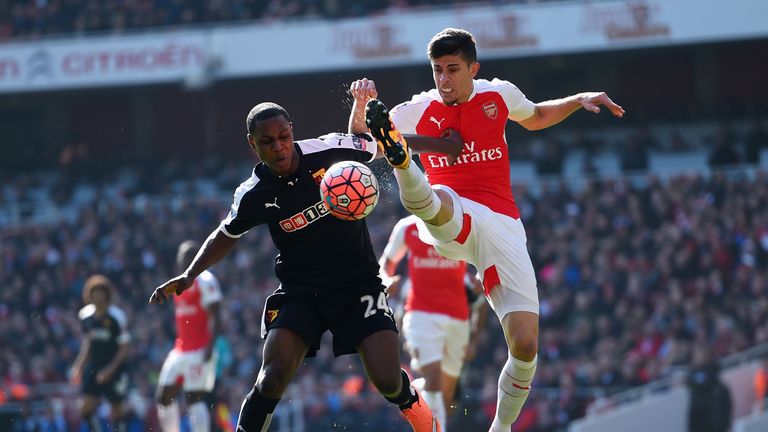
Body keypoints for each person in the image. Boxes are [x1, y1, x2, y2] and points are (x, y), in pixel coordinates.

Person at [348, 28, 625, 431]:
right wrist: (361, 106)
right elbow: (359, 142)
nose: (443, 79)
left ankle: (501, 428)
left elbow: (538, 116)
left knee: (526, 347)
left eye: (453, 70)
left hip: (503, 225)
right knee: (434, 201)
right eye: (437, 70)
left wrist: (578, 100)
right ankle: (403, 162)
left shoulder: (499, 95)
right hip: (452, 211)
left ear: (473, 69)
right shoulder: (419, 108)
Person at [149, 102, 449, 432]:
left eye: (283, 136)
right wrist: (189, 273)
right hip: (301, 292)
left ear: (292, 131)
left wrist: (443, 146)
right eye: (267, 141)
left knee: (389, 381)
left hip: (358, 284)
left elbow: (390, 142)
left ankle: (427, 423)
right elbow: (226, 234)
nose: (278, 146)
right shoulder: (253, 194)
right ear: (253, 144)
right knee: (272, 377)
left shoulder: (329, 150)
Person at [380, 215, 487, 431]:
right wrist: (386, 280)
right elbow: (386, 263)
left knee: (445, 394)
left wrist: (473, 340)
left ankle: (414, 394)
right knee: (434, 379)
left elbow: (482, 297)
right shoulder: (407, 227)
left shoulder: (460, 224)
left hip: (458, 319)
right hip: (420, 314)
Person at [156, 240, 223, 432]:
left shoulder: (206, 280)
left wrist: (211, 346)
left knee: (194, 396)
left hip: (201, 348)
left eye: (190, 255)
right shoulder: (179, 284)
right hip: (181, 349)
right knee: (164, 395)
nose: (185, 259)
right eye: (182, 256)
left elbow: (216, 315)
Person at [71, 275, 131, 432]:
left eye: (101, 292)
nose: (97, 296)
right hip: (94, 367)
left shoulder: (117, 316)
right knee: (86, 407)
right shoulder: (85, 316)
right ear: (89, 295)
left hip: (115, 368)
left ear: (107, 294)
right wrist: (79, 366)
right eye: (94, 292)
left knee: (117, 410)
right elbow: (88, 343)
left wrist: (111, 369)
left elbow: (124, 347)